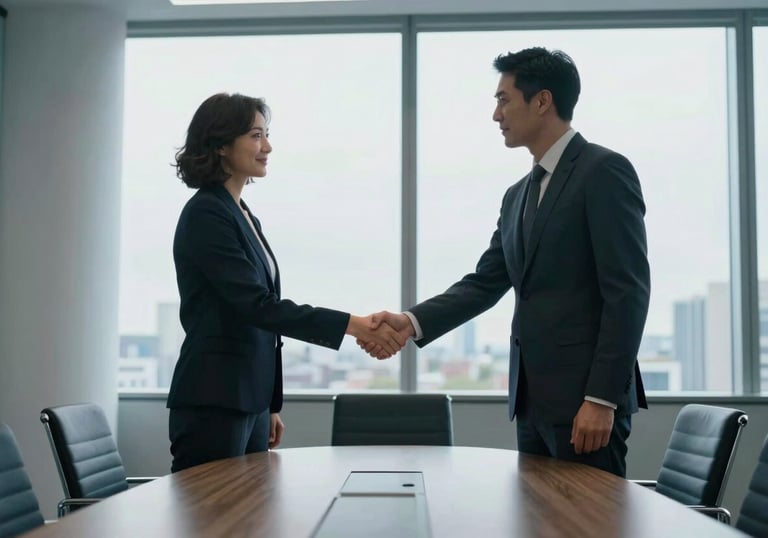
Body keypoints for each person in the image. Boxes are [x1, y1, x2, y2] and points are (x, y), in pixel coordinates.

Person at [366, 47, 650, 477]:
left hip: (585, 407)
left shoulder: (604, 171)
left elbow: (628, 292)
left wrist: (601, 398)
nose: (496, 115)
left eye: (503, 100)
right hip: (532, 404)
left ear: (542, 101)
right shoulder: (517, 194)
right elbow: (484, 283)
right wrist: (412, 322)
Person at [167, 92, 405, 473]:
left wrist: (268, 403)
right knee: (212, 521)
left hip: (249, 400)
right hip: (214, 399)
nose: (268, 147)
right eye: (256, 136)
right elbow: (257, 306)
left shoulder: (242, 213)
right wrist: (355, 325)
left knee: (250, 519)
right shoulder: (206, 214)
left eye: (266, 134)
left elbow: (260, 322)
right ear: (222, 145)